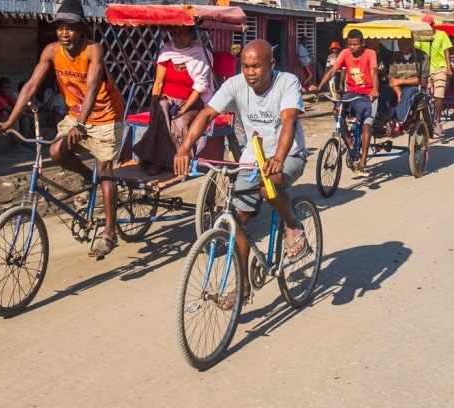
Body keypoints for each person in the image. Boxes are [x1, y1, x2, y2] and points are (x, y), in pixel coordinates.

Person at [173, 40, 310, 307]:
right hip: (252, 159)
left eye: (256, 66)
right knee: (236, 221)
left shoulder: (287, 82)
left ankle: (292, 225)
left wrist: (279, 158)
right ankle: (244, 287)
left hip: (289, 153)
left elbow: (289, 121)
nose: (249, 72)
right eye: (246, 66)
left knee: (269, 183)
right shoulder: (235, 84)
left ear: (271, 65)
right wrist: (185, 148)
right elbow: (206, 114)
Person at [0, 0, 125, 260]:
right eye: (60, 27)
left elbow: (91, 88)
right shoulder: (52, 51)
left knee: (105, 169)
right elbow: (30, 86)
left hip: (107, 116)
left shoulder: (93, 50)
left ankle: (110, 233)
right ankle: (91, 182)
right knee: (56, 152)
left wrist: (80, 123)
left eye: (71, 27)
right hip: (77, 115)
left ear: (81, 30)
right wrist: (10, 121)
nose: (64, 33)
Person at [133, 25, 214, 176]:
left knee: (181, 122)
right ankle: (156, 160)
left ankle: (180, 160)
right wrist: (152, 104)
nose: (178, 38)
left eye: (182, 34)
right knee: (161, 110)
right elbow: (158, 82)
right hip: (167, 99)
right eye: (175, 34)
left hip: (191, 103)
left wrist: (184, 108)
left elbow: (200, 87)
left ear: (192, 36)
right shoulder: (167, 51)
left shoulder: (201, 54)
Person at [311, 28, 379, 174]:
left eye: (355, 44)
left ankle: (363, 161)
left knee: (366, 124)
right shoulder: (345, 53)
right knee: (336, 112)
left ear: (362, 43)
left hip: (367, 95)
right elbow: (332, 70)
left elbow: (374, 72)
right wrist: (319, 87)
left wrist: (375, 90)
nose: (352, 48)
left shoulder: (370, 54)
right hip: (351, 92)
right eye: (350, 44)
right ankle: (348, 139)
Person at [381, 36, 430, 131]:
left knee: (408, 93)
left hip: (415, 88)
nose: (401, 46)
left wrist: (401, 81)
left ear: (411, 43)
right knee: (384, 89)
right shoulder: (395, 56)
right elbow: (391, 77)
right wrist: (398, 92)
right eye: (399, 44)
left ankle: (398, 120)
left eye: (404, 43)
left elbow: (422, 80)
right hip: (397, 87)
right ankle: (381, 117)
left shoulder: (422, 56)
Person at [417, 14, 454, 135]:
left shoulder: (442, 34)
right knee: (422, 96)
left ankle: (438, 123)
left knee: (438, 96)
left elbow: (446, 51)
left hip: (440, 68)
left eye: (428, 25)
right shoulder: (420, 36)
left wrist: (448, 67)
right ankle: (424, 121)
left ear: (433, 25)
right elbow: (416, 51)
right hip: (426, 69)